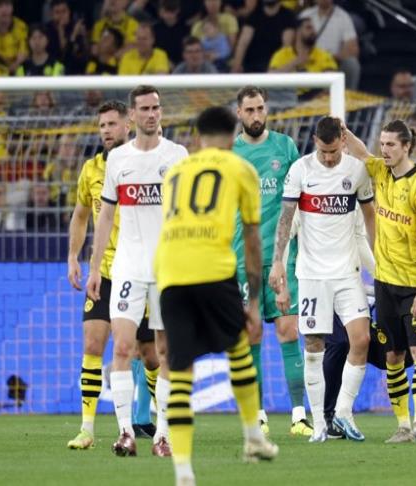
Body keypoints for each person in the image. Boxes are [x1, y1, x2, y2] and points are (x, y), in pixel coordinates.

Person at [155, 105, 278, 486]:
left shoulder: (175, 172)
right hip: (213, 268)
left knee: (180, 370)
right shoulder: (240, 168)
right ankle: (253, 438)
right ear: (232, 137)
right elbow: (252, 239)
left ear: (198, 137)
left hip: (170, 274)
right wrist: (253, 303)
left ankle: (183, 473)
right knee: (239, 348)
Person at [86, 86, 189, 457]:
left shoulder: (177, 155)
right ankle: (125, 432)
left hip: (167, 269)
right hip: (127, 267)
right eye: (144, 108)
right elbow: (105, 217)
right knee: (122, 347)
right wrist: (94, 267)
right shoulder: (118, 159)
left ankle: (162, 435)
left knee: (165, 351)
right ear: (132, 115)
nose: (151, 113)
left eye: (156, 107)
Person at [269, 116, 375, 443]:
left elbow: (370, 218)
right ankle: (318, 424)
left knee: (361, 339)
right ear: (315, 141)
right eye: (324, 151)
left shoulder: (356, 171)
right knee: (314, 347)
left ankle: (343, 412)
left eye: (334, 151)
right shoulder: (300, 170)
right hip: (313, 276)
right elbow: (286, 221)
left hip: (347, 274)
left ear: (343, 141)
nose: (328, 158)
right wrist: (278, 264)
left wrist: (380, 261)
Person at [66, 100, 160, 449]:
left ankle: (161, 420)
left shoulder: (145, 164)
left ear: (127, 125)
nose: (106, 131)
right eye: (101, 125)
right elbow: (80, 216)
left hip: (141, 272)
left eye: (111, 124)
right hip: (104, 273)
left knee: (149, 355)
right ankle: (87, 428)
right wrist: (73, 257)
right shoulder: (91, 169)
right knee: (93, 344)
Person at [343, 120, 416, 443]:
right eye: (382, 144)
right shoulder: (381, 172)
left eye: (391, 145)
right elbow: (361, 153)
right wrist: (344, 133)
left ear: (406, 146)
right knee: (393, 357)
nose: (384, 150)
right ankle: (403, 426)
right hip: (384, 284)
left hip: (413, 286)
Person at [232, 86, 310, 437]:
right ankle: (258, 416)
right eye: (249, 110)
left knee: (288, 330)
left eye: (260, 108)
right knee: (251, 334)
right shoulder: (229, 154)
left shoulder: (285, 147)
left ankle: (299, 416)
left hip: (282, 257)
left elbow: (298, 201)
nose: (256, 115)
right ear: (239, 113)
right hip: (242, 259)